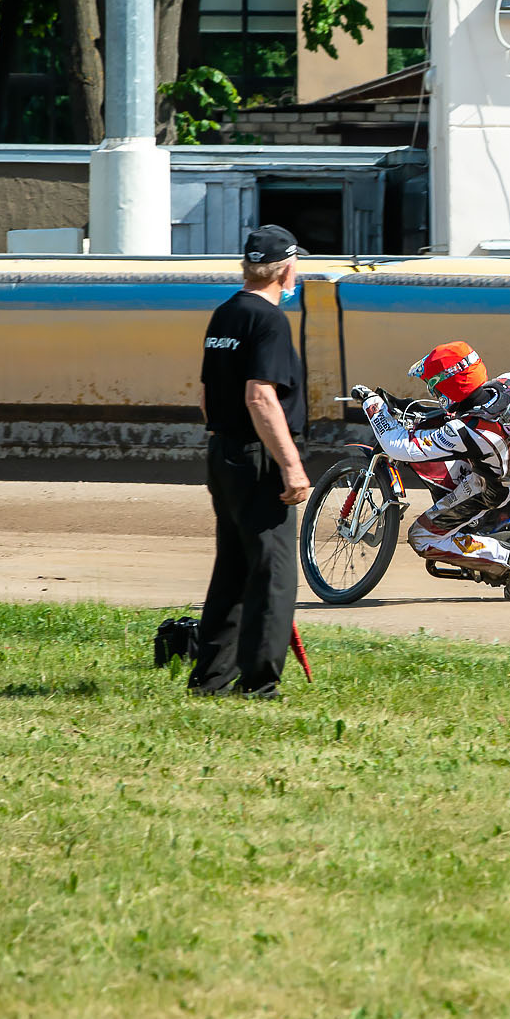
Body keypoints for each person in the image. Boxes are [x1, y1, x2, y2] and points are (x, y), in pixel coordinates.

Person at [194, 224, 312, 697]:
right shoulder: (269, 321)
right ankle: (259, 683)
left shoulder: (226, 313)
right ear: (286, 269)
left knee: (233, 568)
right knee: (273, 573)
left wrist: (226, 445)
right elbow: (260, 397)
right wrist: (291, 465)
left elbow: (206, 395)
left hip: (223, 451)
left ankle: (211, 678)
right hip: (258, 456)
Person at [350, 342, 510, 599]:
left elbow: (400, 447)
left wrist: (373, 406)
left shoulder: (467, 430)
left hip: (491, 488)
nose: (433, 391)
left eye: (434, 385)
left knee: (421, 536)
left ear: (449, 383)